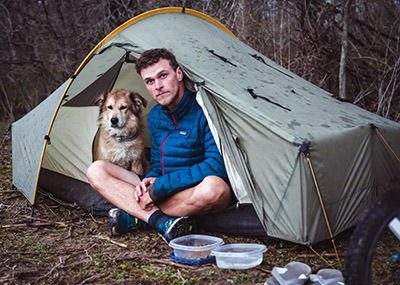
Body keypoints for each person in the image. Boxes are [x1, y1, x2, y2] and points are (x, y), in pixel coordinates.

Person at [86, 48, 232, 242]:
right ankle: (161, 220)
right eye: (150, 81)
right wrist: (151, 179)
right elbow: (157, 163)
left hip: (191, 189)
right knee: (97, 170)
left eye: (163, 76)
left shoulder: (203, 111)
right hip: (162, 189)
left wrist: (159, 187)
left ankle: (137, 217)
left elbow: (215, 166)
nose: (158, 86)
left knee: (216, 188)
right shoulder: (155, 116)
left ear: (178, 74)